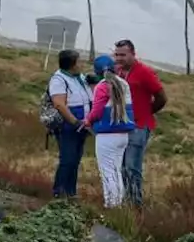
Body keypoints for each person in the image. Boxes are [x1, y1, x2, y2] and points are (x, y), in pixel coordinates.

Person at [112, 39, 167, 207]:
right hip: (122, 125)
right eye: (117, 55)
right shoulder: (118, 71)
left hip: (138, 126)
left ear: (133, 54)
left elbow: (162, 97)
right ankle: (125, 201)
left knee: (132, 167)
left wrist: (146, 112)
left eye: (123, 55)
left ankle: (135, 205)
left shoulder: (144, 72)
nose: (119, 58)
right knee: (121, 166)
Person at [82, 54, 136, 207]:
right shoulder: (124, 84)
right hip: (123, 135)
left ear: (97, 71)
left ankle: (111, 206)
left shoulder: (102, 86)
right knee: (116, 171)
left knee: (107, 173)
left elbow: (97, 111)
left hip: (107, 135)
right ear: (114, 68)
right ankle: (119, 204)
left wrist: (88, 120)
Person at [48, 49, 94, 199]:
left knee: (75, 159)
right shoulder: (59, 80)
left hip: (83, 125)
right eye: (79, 61)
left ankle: (70, 192)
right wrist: (75, 122)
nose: (82, 64)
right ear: (72, 64)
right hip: (69, 125)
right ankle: (59, 192)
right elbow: (59, 104)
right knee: (67, 159)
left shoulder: (78, 77)